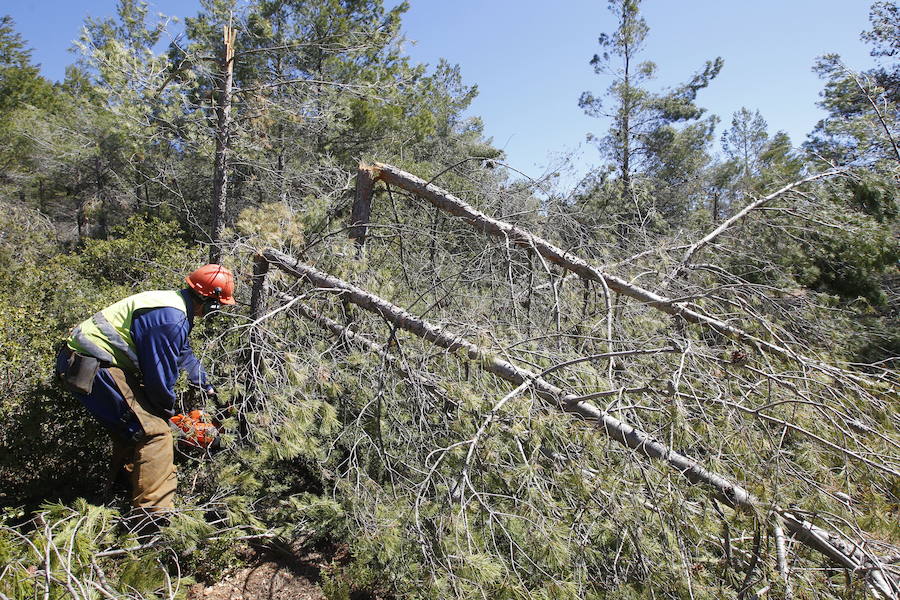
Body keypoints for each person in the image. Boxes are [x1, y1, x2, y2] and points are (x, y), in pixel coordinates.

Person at [55, 264, 236, 513]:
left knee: (132, 430)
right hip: (94, 366)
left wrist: (210, 388)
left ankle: (119, 493)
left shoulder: (174, 305)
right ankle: (154, 516)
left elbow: (183, 355)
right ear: (208, 299)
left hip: (86, 361)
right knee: (155, 433)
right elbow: (158, 377)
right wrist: (169, 413)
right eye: (218, 305)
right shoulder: (171, 320)